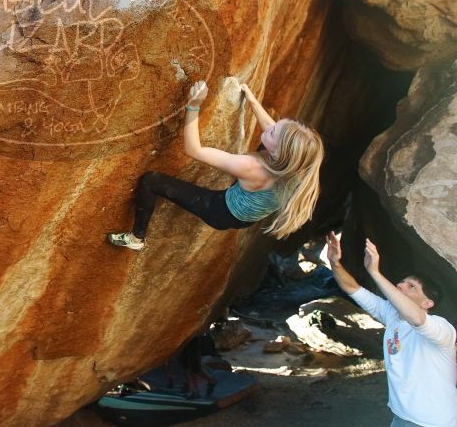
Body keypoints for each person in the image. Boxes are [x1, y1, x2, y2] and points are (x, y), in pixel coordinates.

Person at [107, 79, 324, 251]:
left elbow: (195, 151)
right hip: (250, 214)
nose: (271, 126)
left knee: (150, 180)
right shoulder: (297, 163)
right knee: (267, 143)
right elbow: (272, 129)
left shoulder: (251, 167)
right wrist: (251, 99)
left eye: (274, 131)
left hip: (222, 211)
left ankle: (136, 237)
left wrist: (193, 107)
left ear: (279, 151)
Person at [325, 232, 457, 427]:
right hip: (400, 417)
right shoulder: (391, 314)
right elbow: (352, 288)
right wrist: (335, 263)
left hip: (433, 422)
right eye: (402, 282)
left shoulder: (441, 329)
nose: (400, 285)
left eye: (411, 286)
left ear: (427, 303)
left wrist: (375, 273)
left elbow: (417, 318)